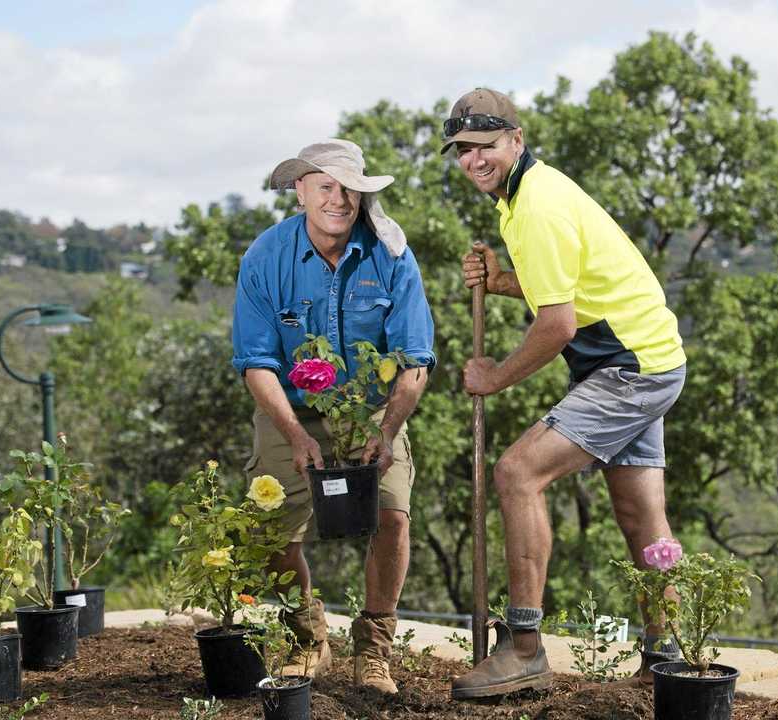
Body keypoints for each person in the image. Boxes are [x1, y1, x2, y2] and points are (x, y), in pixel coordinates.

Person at [443, 88, 688, 699]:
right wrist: (501, 281)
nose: (475, 159)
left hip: (629, 366)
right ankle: (669, 654)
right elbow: (562, 284)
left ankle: (523, 647)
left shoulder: (537, 205)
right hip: (643, 357)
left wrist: (494, 376)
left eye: (487, 146)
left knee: (517, 473)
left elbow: (558, 325)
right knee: (640, 515)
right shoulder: (521, 193)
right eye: (464, 150)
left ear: (516, 141)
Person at [230, 139, 435, 694]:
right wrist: (294, 434)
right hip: (289, 411)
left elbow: (415, 361)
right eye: (325, 187)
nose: (339, 200)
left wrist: (387, 429)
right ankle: (306, 637)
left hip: (372, 410)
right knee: (272, 528)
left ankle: (374, 650)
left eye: (349, 189)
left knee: (393, 515)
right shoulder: (265, 258)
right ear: (300, 190)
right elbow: (256, 363)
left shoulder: (392, 256)